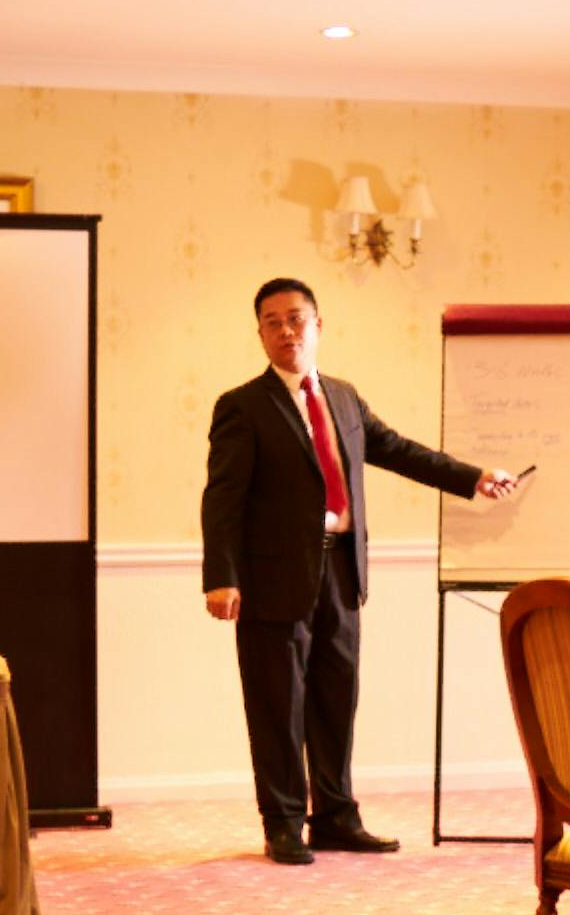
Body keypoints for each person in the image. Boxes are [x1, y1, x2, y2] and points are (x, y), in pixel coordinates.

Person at [200, 279, 512, 865]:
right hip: (271, 579)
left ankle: (337, 817)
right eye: (273, 322)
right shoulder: (241, 406)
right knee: (277, 703)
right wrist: (222, 574)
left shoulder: (343, 398)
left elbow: (399, 450)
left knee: (335, 698)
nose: (287, 331)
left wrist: (472, 478)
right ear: (261, 334)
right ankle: (284, 823)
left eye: (296, 319)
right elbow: (222, 500)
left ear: (319, 326)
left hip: (341, 570)